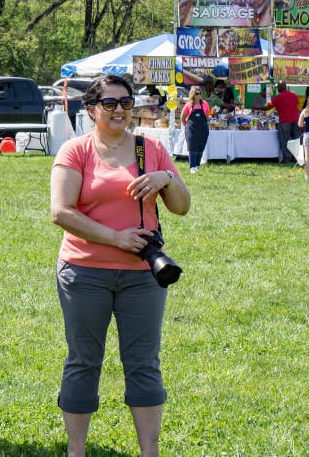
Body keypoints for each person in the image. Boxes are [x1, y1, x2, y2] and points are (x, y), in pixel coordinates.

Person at [49, 74, 191, 457]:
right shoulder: (75, 151)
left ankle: (150, 452)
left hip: (143, 275)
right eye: (109, 103)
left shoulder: (150, 149)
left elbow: (181, 207)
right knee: (83, 360)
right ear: (92, 109)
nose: (118, 110)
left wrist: (166, 178)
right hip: (84, 271)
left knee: (144, 363)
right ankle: (75, 451)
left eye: (126, 102)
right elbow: (60, 212)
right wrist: (116, 238)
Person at [260, 80, 301, 163]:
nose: (277, 88)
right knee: (296, 140)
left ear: (280, 87)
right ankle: (299, 159)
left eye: (278, 86)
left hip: (285, 122)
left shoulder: (278, 97)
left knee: (284, 140)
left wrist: (257, 108)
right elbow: (296, 104)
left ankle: (287, 159)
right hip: (296, 120)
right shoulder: (294, 94)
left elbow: (268, 107)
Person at [180, 85, 210, 174]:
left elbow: (207, 115)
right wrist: (186, 126)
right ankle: (192, 166)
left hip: (203, 129)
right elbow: (183, 117)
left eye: (200, 93)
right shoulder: (188, 105)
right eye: (197, 93)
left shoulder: (205, 104)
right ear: (192, 94)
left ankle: (197, 165)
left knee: (201, 147)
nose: (199, 95)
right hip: (191, 129)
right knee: (192, 147)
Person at [299, 100, 309, 180]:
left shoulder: (304, 111)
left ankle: (307, 176)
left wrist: (305, 123)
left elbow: (300, 124)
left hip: (307, 134)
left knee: (307, 157)